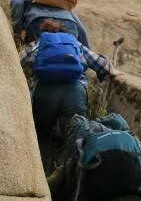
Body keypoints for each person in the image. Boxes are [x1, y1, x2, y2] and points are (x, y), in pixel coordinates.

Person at [19, 19, 116, 165]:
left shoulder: (40, 44)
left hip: (46, 92)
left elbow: (18, 60)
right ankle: (70, 175)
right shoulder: (75, 44)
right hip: (74, 91)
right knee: (76, 140)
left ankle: (43, 172)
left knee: (41, 137)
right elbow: (104, 66)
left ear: (44, 33)